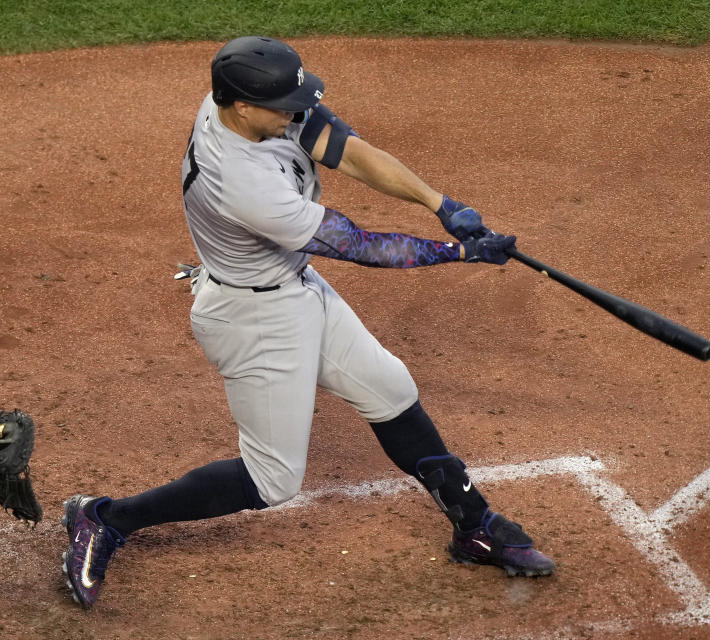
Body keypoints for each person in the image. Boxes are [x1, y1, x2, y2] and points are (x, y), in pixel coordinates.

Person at [60, 35, 555, 609]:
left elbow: (343, 144)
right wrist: (461, 254)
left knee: (390, 389)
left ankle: (476, 528)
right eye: (285, 106)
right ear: (243, 106)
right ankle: (104, 517)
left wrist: (439, 203)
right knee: (272, 480)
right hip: (254, 317)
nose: (296, 113)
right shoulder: (243, 184)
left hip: (294, 288)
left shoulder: (248, 106)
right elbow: (358, 244)